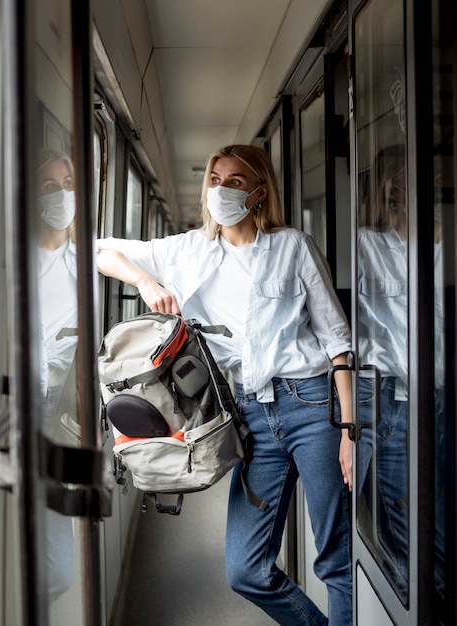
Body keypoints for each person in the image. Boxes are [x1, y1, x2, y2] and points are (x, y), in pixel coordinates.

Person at [96, 144, 353, 625]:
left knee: (335, 557)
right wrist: (146, 284)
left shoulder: (293, 246)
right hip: (249, 416)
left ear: (259, 192)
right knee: (246, 570)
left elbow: (337, 343)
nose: (220, 189)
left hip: (312, 405)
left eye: (235, 181)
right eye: (215, 178)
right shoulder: (185, 251)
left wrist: (349, 430)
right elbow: (101, 252)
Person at [357, 144, 446, 594]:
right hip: (396, 398)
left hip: (443, 394)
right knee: (399, 517)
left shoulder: (442, 239)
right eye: (399, 185)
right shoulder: (365, 246)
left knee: (441, 509)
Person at [36, 149, 78, 602]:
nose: (61, 194)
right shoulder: (8, 258)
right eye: (49, 185)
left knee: (58, 570)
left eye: (68, 184)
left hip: (56, 415)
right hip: (7, 406)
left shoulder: (86, 258)